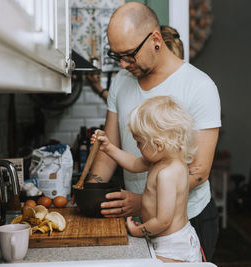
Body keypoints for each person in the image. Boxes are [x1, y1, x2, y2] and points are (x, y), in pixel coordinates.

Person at [86, 2, 221, 261]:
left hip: (188, 222)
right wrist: (90, 194)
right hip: (140, 218)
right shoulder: (121, 81)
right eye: (117, 56)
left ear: (155, 40)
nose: (123, 65)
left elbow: (200, 171)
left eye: (129, 55)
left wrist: (142, 200)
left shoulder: (199, 86)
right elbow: (109, 148)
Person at [91, 96, 201, 262]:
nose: (137, 147)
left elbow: (163, 221)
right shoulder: (164, 160)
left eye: (139, 142)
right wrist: (109, 148)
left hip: (173, 246)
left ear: (158, 145)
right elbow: (134, 164)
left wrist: (139, 230)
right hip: (171, 239)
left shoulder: (167, 174)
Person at [87, 25, 184, 102]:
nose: (123, 64)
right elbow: (120, 103)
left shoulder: (187, 87)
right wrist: (99, 87)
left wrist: (99, 89)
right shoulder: (128, 78)